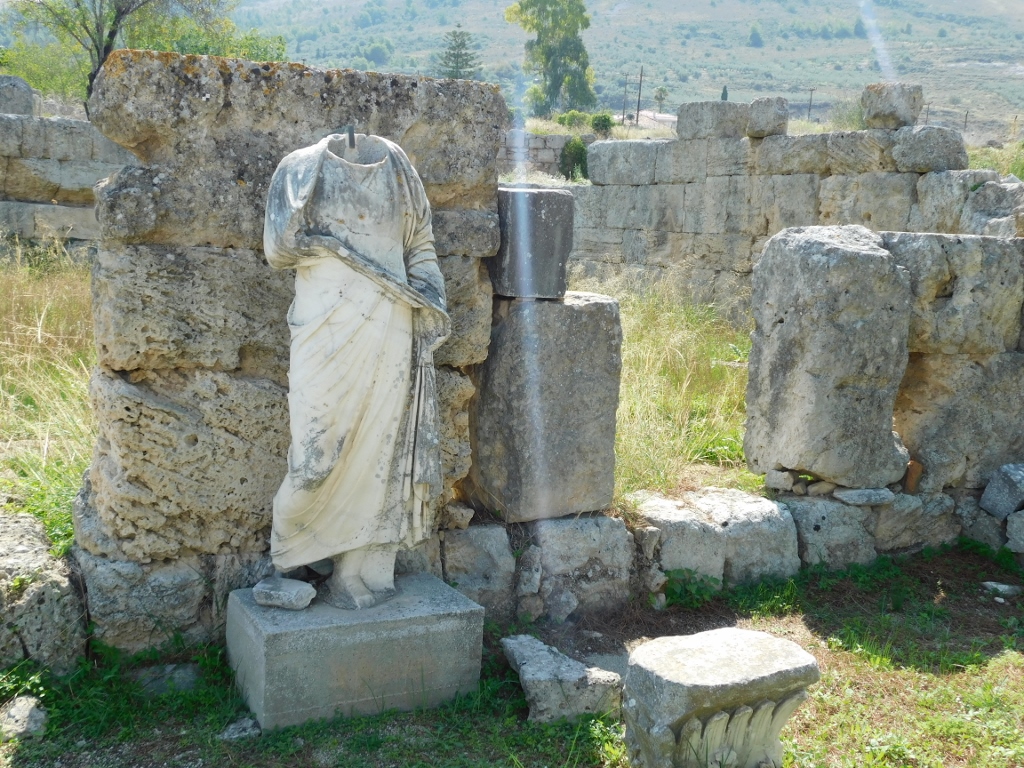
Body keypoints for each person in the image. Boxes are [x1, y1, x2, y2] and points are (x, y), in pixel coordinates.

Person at [263, 132, 449, 609]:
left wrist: (429, 297)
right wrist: (325, 245)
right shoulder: (300, 168)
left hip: (391, 324)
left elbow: (420, 243)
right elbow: (277, 249)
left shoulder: (399, 169)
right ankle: (284, 561)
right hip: (324, 329)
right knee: (314, 460)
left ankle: (352, 572)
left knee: (378, 457)